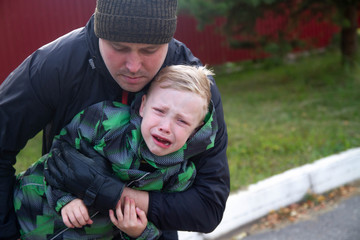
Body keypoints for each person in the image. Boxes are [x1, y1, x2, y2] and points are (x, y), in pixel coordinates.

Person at [0, 0, 229, 239]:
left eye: (150, 50)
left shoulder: (196, 92)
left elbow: (208, 207)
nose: (133, 66)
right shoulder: (56, 65)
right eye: (118, 47)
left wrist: (109, 193)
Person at [14, 65, 218, 239]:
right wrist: (64, 199)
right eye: (160, 111)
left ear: (197, 129)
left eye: (181, 121)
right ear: (144, 105)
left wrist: (138, 232)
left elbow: (161, 226)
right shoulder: (105, 121)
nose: (166, 126)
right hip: (24, 208)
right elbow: (59, 154)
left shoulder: (179, 177)